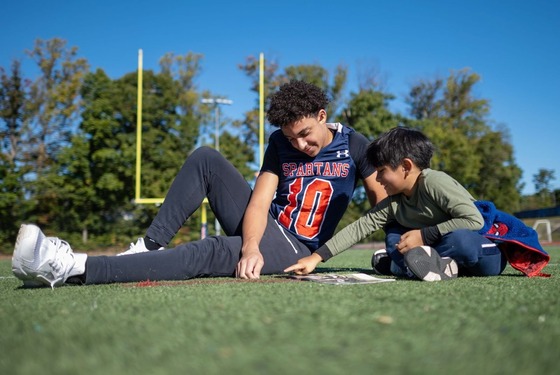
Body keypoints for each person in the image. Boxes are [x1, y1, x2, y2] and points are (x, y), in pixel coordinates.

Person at [11, 80, 386, 288]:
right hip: (267, 228)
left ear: (323, 116)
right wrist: (251, 246)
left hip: (297, 246)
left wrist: (397, 250)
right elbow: (258, 201)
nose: (299, 145)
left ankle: (69, 267)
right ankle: (145, 247)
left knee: (207, 252)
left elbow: (382, 203)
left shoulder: (355, 145)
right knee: (207, 157)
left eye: (305, 134)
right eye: (291, 139)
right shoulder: (280, 144)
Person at [285, 126, 508, 281]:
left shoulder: (434, 181)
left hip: (483, 255)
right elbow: (360, 227)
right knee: (395, 239)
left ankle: (397, 265)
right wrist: (315, 258)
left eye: (381, 171)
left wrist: (424, 235)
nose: (377, 179)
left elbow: (474, 221)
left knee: (460, 240)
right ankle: (432, 266)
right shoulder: (394, 202)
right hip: (443, 255)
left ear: (406, 166)